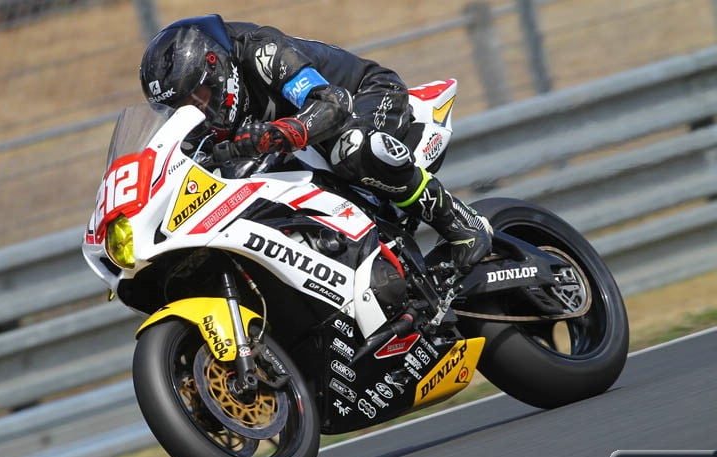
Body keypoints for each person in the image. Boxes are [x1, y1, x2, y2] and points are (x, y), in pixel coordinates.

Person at [138, 14, 492, 269]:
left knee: (349, 147)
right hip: (302, 142)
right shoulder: (200, 121)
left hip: (365, 95)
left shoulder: (262, 51)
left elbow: (331, 104)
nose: (196, 111)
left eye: (198, 97)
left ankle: (458, 221)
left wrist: (277, 134)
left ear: (216, 69)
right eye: (179, 108)